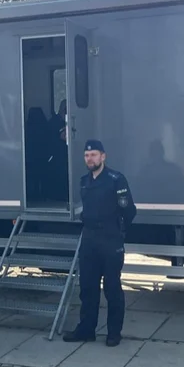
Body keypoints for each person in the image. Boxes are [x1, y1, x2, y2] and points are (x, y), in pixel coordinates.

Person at [62, 139, 136, 347]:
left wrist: (118, 232)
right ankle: (86, 330)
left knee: (112, 288)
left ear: (103, 156)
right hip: (89, 240)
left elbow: (129, 211)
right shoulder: (84, 181)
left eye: (94, 155)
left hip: (110, 240)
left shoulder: (116, 180)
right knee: (87, 288)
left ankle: (114, 333)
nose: (90, 159)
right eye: (87, 156)